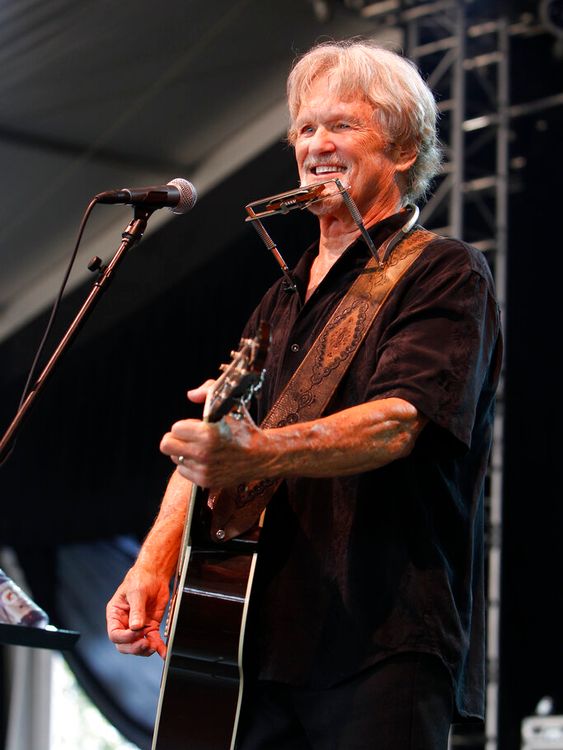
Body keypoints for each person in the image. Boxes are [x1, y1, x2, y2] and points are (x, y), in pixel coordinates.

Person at [106, 40, 502, 750]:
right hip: (250, 637)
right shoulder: (279, 297)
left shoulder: (445, 271)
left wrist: (255, 450)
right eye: (304, 129)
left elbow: (396, 422)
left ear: (403, 149)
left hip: (381, 635)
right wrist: (153, 562)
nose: (316, 144)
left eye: (342, 126)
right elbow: (213, 442)